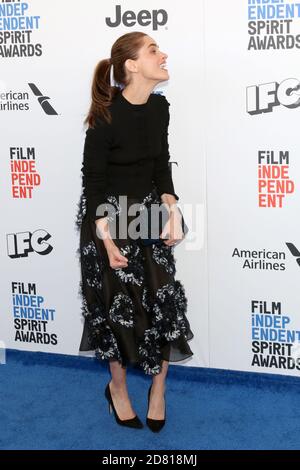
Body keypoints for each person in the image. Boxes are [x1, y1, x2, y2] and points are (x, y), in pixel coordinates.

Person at [76, 31, 194, 432]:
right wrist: (106, 242)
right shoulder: (106, 115)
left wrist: (172, 210)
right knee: (114, 311)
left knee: (164, 304)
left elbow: (161, 163)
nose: (163, 55)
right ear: (131, 64)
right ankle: (118, 389)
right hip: (107, 219)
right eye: (153, 50)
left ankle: (158, 392)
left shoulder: (159, 108)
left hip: (147, 214)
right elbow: (92, 184)